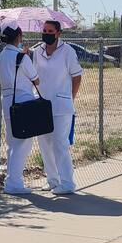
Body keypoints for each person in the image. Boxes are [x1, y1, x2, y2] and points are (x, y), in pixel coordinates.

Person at [29, 20, 83, 195]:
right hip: (42, 104)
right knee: (45, 144)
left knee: (60, 143)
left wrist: (70, 98)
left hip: (61, 105)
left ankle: (67, 182)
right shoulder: (37, 52)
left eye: (50, 30)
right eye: (44, 30)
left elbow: (76, 76)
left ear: (58, 33)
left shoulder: (68, 52)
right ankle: (52, 180)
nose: (46, 33)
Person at [0, 24, 41, 195]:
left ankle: (11, 180)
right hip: (23, 102)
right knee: (23, 144)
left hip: (7, 102)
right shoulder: (22, 58)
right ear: (19, 36)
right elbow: (36, 81)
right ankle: (14, 183)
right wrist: (27, 56)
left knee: (12, 142)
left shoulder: (1, 56)